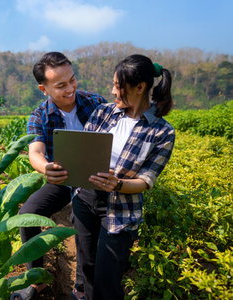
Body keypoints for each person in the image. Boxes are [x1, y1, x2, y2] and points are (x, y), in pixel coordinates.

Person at [71, 54, 175, 300]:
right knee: (86, 267)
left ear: (140, 88)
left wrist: (117, 184)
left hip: (120, 208)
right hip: (85, 198)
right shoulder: (104, 113)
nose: (113, 91)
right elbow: (83, 149)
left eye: (119, 87)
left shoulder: (162, 131)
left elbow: (146, 181)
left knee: (107, 279)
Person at [10, 52, 106, 300]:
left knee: (83, 221)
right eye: (61, 85)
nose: (70, 88)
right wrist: (46, 168)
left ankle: (81, 289)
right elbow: (35, 152)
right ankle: (37, 280)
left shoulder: (96, 103)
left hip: (95, 179)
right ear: (44, 88)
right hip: (63, 179)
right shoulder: (39, 115)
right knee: (27, 215)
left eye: (72, 80)